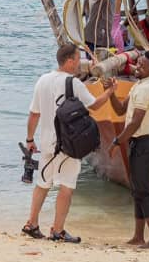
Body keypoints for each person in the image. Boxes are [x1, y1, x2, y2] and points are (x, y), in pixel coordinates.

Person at [22, 43, 114, 243]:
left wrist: (30, 139)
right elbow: (95, 105)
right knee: (66, 186)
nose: (80, 63)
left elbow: (33, 114)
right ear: (70, 61)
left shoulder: (42, 80)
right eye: (78, 59)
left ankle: (32, 223)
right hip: (68, 143)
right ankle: (58, 230)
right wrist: (110, 92)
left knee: (42, 183)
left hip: (47, 142)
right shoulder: (73, 83)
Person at [106, 51, 149, 248]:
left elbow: (135, 121)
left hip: (144, 142)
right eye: (138, 64)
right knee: (137, 191)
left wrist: (117, 141)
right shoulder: (138, 86)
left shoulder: (147, 88)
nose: (137, 67)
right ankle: (139, 236)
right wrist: (110, 93)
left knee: (143, 191)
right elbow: (121, 110)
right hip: (138, 142)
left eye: (142, 66)